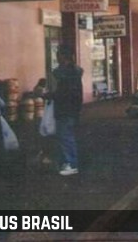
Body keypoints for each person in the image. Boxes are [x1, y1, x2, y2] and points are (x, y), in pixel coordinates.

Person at [51, 45, 83, 176]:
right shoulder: (75, 72)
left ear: (64, 57)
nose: (57, 58)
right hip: (72, 110)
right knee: (68, 137)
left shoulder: (65, 74)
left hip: (64, 109)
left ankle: (70, 163)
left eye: (58, 55)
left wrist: (47, 95)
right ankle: (70, 162)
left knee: (65, 136)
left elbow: (61, 93)